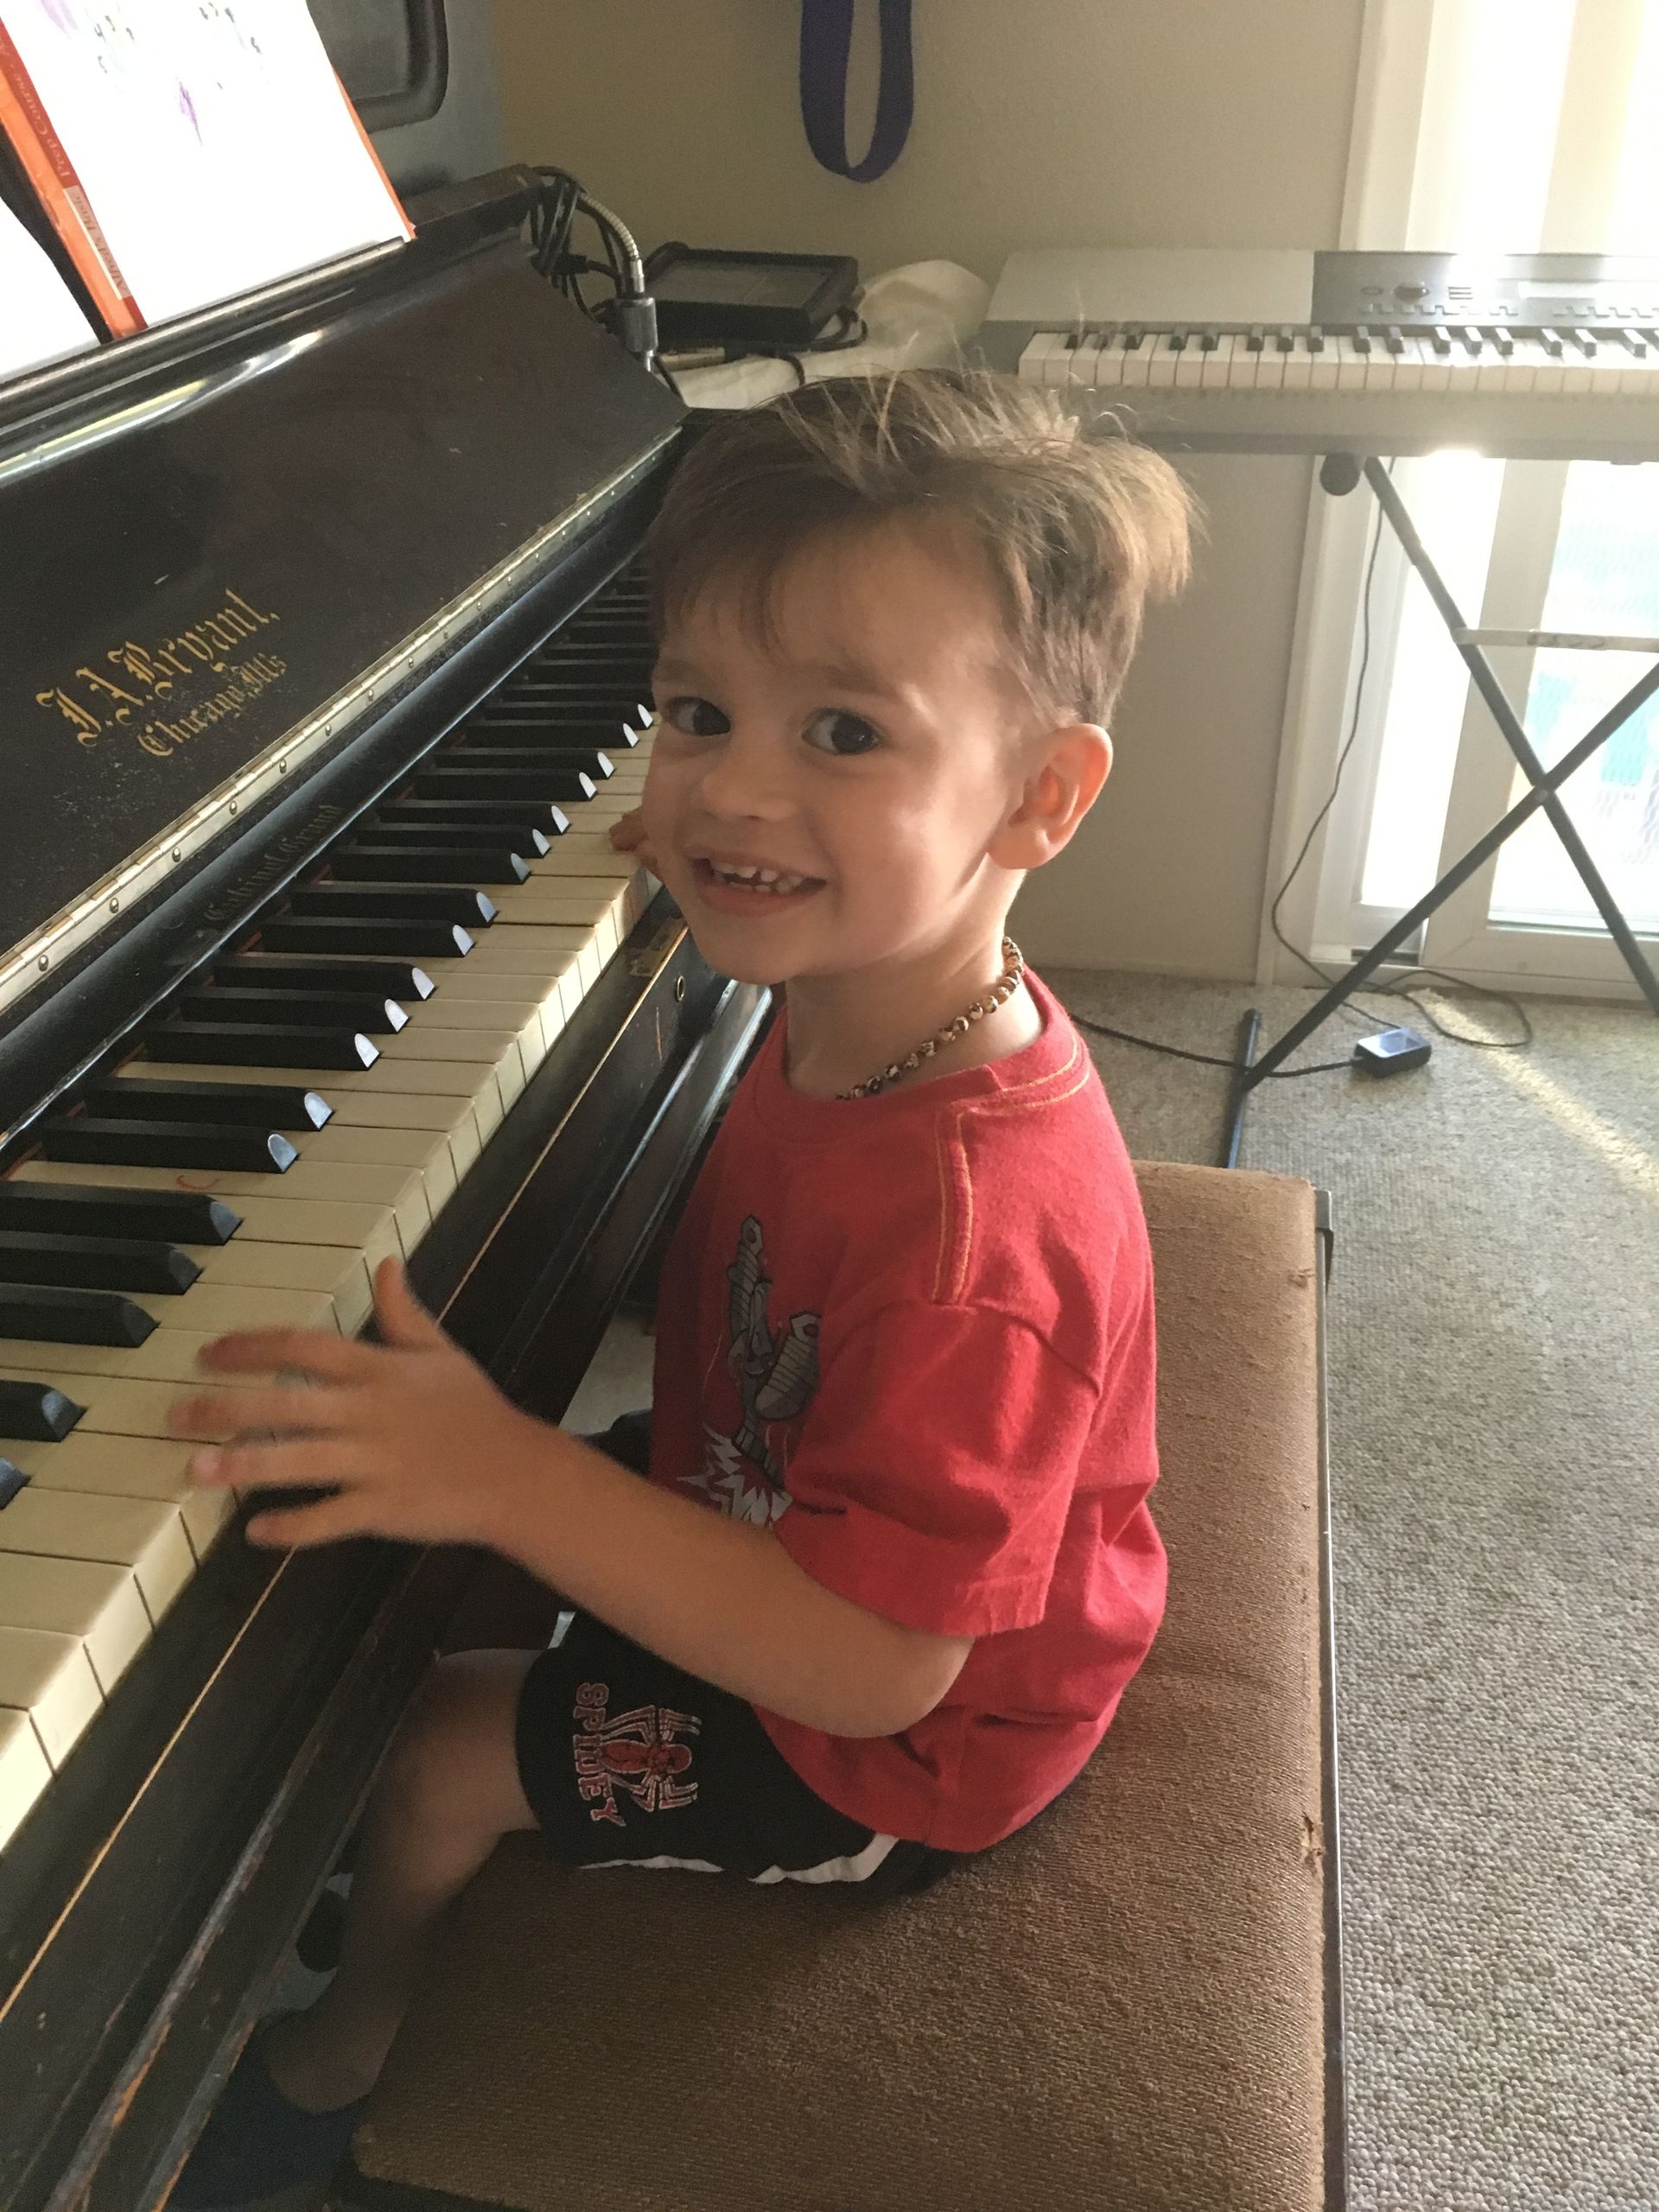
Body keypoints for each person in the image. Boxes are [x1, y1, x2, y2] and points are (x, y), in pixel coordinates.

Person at [168, 367, 1192, 2206]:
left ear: (1040, 797)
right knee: (410, 1533)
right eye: (698, 712)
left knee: (440, 1734)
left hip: (906, 1733)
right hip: (784, 1481)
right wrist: (740, 864)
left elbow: (879, 1666)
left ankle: (351, 2039)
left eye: (844, 738)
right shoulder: (877, 982)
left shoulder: (974, 1241)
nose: (732, 784)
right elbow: (747, 835)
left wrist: (510, 1473)